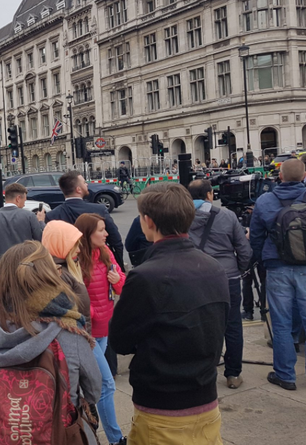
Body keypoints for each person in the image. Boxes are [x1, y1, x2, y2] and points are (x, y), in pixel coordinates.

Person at [109, 183, 229, 444]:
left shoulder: (145, 276)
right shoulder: (214, 267)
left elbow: (119, 341)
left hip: (161, 407)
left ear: (148, 222)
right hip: (206, 399)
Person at [0, 240, 101, 419]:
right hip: (61, 431)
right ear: (49, 276)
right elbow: (94, 391)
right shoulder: (69, 331)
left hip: (10, 430)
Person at [188, 179, 252, 389]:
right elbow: (243, 249)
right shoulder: (227, 215)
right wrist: (241, 269)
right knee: (232, 325)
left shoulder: (183, 218)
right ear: (209, 195)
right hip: (227, 277)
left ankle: (204, 371)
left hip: (196, 277)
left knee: (201, 325)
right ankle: (233, 374)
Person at [250, 158, 306, 390]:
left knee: (281, 323)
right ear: (304, 176)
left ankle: (285, 375)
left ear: (280, 176)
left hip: (277, 267)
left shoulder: (265, 200)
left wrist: (263, 258)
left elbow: (255, 237)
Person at [74, 213, 127, 445]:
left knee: (91, 384)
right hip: (88, 333)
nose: (106, 234)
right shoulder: (76, 261)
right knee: (107, 384)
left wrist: (116, 280)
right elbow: (75, 299)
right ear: (87, 234)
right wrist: (92, 314)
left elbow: (122, 285)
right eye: (101, 230)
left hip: (105, 329)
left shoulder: (106, 253)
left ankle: (85, 423)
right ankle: (116, 439)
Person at [37, 170, 125, 271]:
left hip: (70, 268)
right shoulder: (99, 209)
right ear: (78, 189)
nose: (86, 184)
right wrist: (119, 266)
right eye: (84, 182)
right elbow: (116, 240)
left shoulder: (53, 215)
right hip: (98, 266)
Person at [42, 220, 91, 333]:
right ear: (60, 244)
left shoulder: (65, 268)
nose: (79, 250)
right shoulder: (60, 274)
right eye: (74, 246)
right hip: (77, 334)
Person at [0, 183, 42, 273]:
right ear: (18, 198)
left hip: (5, 270)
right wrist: (41, 222)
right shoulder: (29, 216)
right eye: (24, 201)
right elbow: (40, 241)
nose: (24, 205)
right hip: (27, 269)